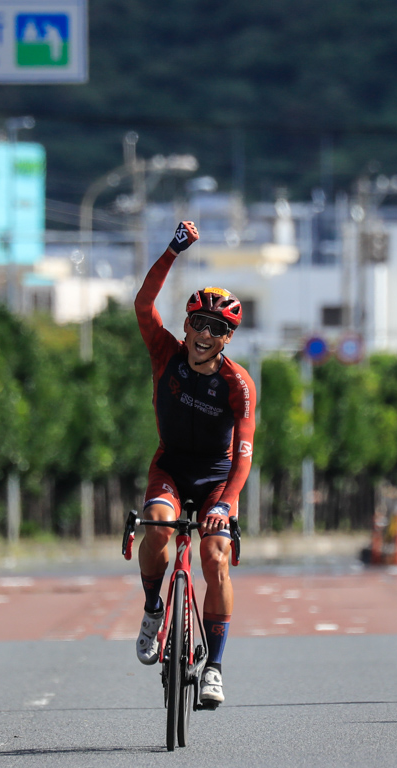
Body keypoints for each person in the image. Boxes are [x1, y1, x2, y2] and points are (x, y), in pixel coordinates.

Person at [132, 221, 256, 707]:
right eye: (199, 324)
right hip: (170, 466)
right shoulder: (165, 352)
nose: (205, 335)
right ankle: (151, 609)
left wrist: (225, 506)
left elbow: (244, 452)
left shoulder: (238, 383)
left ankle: (215, 668)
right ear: (185, 325)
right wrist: (171, 252)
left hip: (216, 479)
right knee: (158, 529)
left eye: (218, 329)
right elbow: (143, 304)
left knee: (215, 557)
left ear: (227, 339)